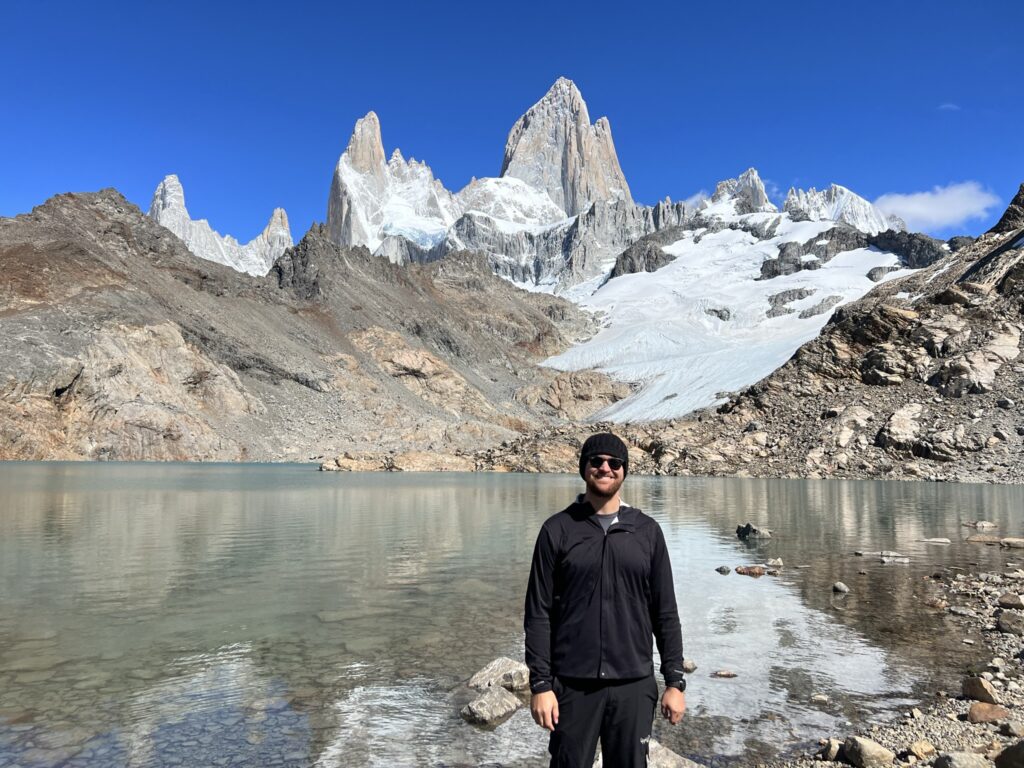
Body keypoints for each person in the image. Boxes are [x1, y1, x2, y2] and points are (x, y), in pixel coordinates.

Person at [524, 432, 686, 768]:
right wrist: (540, 684)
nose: (605, 468)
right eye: (596, 461)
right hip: (571, 685)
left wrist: (674, 682)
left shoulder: (647, 531)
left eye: (614, 463)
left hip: (634, 685)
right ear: (584, 468)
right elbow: (538, 613)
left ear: (625, 471)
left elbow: (665, 612)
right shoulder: (558, 530)